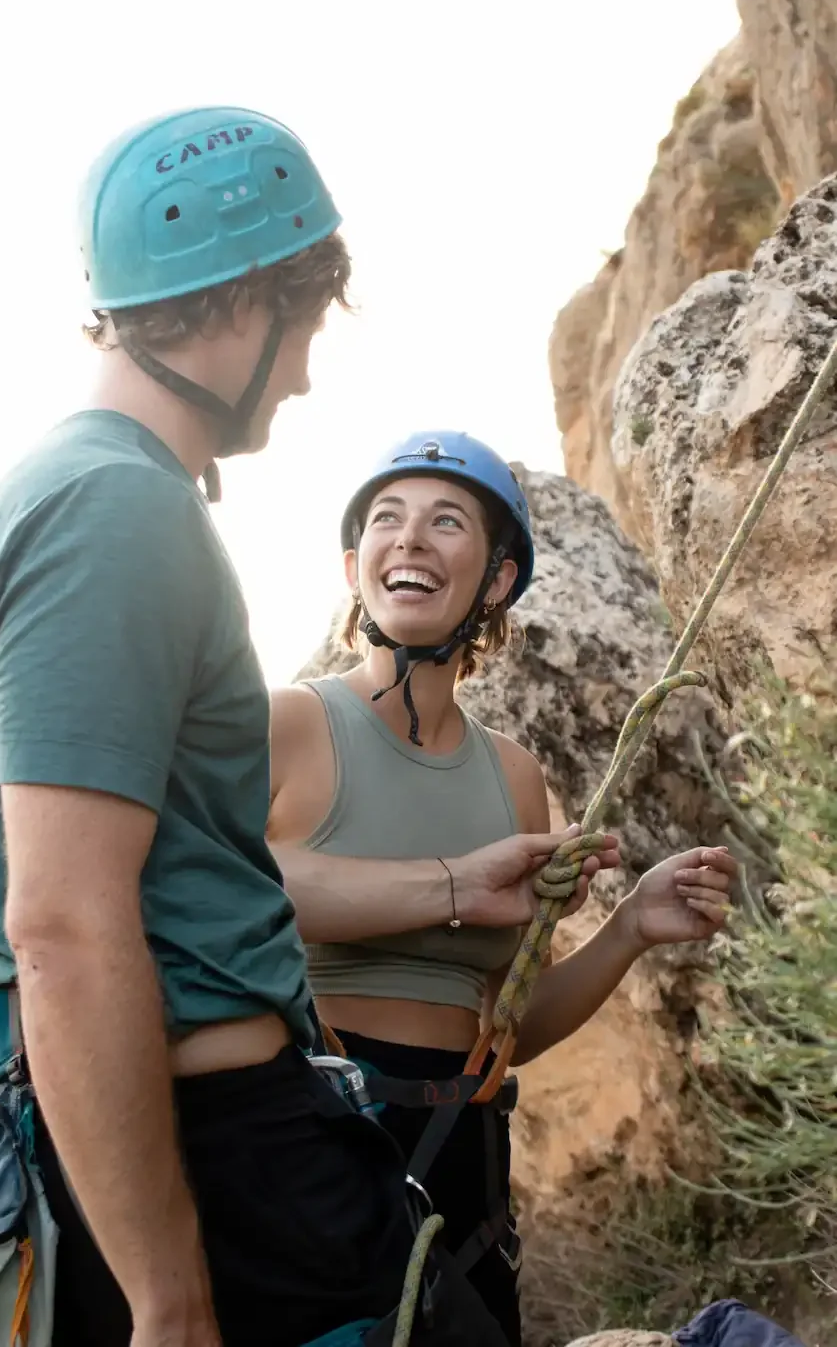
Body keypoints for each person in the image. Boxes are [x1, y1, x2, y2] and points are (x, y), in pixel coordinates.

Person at [0, 114, 609, 1347]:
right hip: (219, 1162)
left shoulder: (30, 506)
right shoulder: (115, 513)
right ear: (249, 297)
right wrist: (169, 1296)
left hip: (125, 1143)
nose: (302, 374)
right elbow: (64, 923)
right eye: (305, 326)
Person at [268, 430, 739, 1345]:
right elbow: (214, 894)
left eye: (446, 522)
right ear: (353, 562)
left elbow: (502, 1028)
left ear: (493, 580)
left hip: (461, 1166)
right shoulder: (288, 724)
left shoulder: (515, 780)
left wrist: (628, 929)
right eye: (385, 521)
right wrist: (452, 885)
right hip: (312, 1141)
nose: (407, 539)